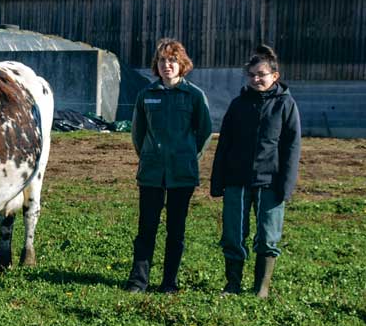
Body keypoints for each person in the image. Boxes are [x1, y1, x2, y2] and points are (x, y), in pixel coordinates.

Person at [210, 45, 301, 298]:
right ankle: (233, 285)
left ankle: (261, 288)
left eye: (261, 74)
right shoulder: (238, 105)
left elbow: (292, 147)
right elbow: (224, 145)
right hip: (236, 181)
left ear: (275, 76)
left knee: (267, 236)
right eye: (251, 75)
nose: (256, 79)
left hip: (270, 182)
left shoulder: (286, 105)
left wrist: (286, 185)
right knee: (233, 234)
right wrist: (217, 182)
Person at [125, 38, 212, 293]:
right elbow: (138, 133)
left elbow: (204, 133)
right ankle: (138, 281)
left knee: (176, 230)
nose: (167, 65)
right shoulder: (146, 94)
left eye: (172, 60)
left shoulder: (194, 96)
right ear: (157, 65)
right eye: (163, 60)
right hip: (152, 173)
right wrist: (150, 156)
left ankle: (169, 282)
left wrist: (186, 158)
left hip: (181, 174)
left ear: (181, 64)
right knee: (146, 229)